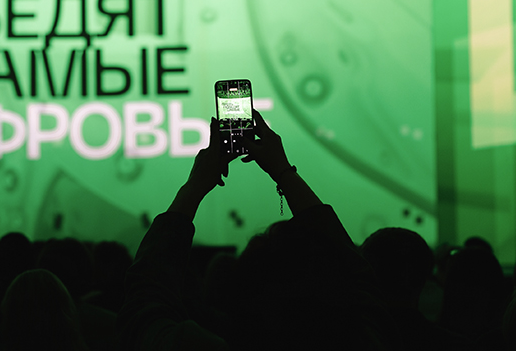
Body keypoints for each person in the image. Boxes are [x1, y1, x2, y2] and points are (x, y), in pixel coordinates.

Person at [118, 109, 395, 350]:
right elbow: (354, 274)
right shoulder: (367, 337)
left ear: (238, 294)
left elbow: (146, 298)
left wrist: (195, 185)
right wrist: (283, 170)